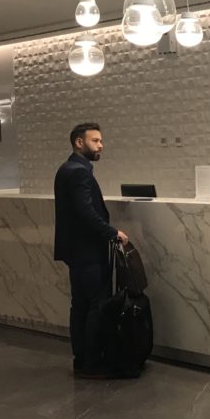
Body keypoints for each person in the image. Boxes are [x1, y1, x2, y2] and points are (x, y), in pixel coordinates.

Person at [54, 123, 128, 378]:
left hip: (76, 251)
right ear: (79, 143)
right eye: (95, 141)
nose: (101, 145)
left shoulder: (67, 169)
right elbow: (85, 212)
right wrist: (112, 232)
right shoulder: (79, 172)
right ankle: (93, 361)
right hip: (87, 250)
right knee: (95, 304)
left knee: (81, 305)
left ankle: (82, 358)